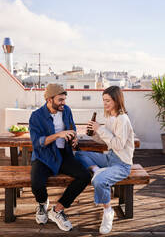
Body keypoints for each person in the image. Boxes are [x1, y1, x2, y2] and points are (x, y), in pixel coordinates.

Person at [29, 83, 91, 231]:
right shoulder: (36, 116)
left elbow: (72, 128)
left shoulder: (66, 110)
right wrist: (58, 135)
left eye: (64, 99)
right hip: (44, 155)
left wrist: (73, 137)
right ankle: (42, 203)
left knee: (84, 176)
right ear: (49, 100)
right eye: (60, 100)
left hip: (64, 153)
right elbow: (37, 143)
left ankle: (57, 210)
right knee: (36, 184)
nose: (64, 103)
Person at [75, 86, 134, 235]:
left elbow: (118, 145)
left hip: (122, 163)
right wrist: (94, 133)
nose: (105, 103)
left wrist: (100, 129)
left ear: (116, 100)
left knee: (99, 181)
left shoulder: (123, 119)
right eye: (103, 100)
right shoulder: (111, 118)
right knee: (79, 155)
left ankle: (108, 211)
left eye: (108, 100)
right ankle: (97, 170)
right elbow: (105, 142)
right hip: (110, 158)